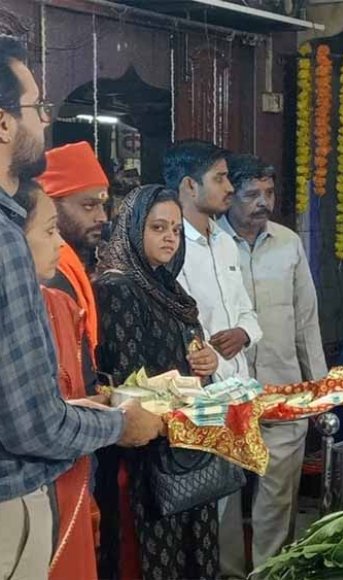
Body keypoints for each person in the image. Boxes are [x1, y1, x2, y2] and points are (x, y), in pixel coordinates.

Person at [0, 34, 162, 579]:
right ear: (2, 124)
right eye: (36, 107)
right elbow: (34, 424)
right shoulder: (5, 242)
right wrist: (119, 423)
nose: (45, 120)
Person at [93, 184, 221, 580]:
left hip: (184, 445)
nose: (169, 237)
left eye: (176, 230)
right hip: (147, 458)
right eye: (158, 227)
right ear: (133, 229)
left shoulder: (168, 287)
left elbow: (190, 359)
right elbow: (130, 381)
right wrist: (184, 376)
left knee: (191, 555)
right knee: (153, 560)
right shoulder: (119, 288)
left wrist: (206, 362)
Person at [218, 154, 327, 576]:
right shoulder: (208, 243)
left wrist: (317, 391)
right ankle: (227, 572)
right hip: (225, 394)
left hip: (283, 390)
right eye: (251, 194)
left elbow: (306, 321)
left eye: (269, 192)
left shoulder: (288, 243)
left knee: (278, 498)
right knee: (223, 496)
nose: (263, 202)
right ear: (229, 197)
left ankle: (271, 572)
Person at [19, 180, 102, 580]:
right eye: (49, 231)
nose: (59, 244)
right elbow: (41, 421)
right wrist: (116, 421)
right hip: (28, 488)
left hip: (66, 473)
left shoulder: (58, 303)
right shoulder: (28, 308)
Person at [163, 139, 262, 383]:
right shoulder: (170, 247)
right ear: (190, 186)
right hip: (202, 387)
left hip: (241, 386)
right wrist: (213, 358)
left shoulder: (225, 242)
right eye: (219, 178)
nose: (229, 187)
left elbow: (245, 309)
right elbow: (180, 325)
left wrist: (244, 333)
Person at [36, 141, 109, 394]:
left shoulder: (72, 264)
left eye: (102, 205)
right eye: (88, 206)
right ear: (51, 206)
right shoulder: (51, 272)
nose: (102, 217)